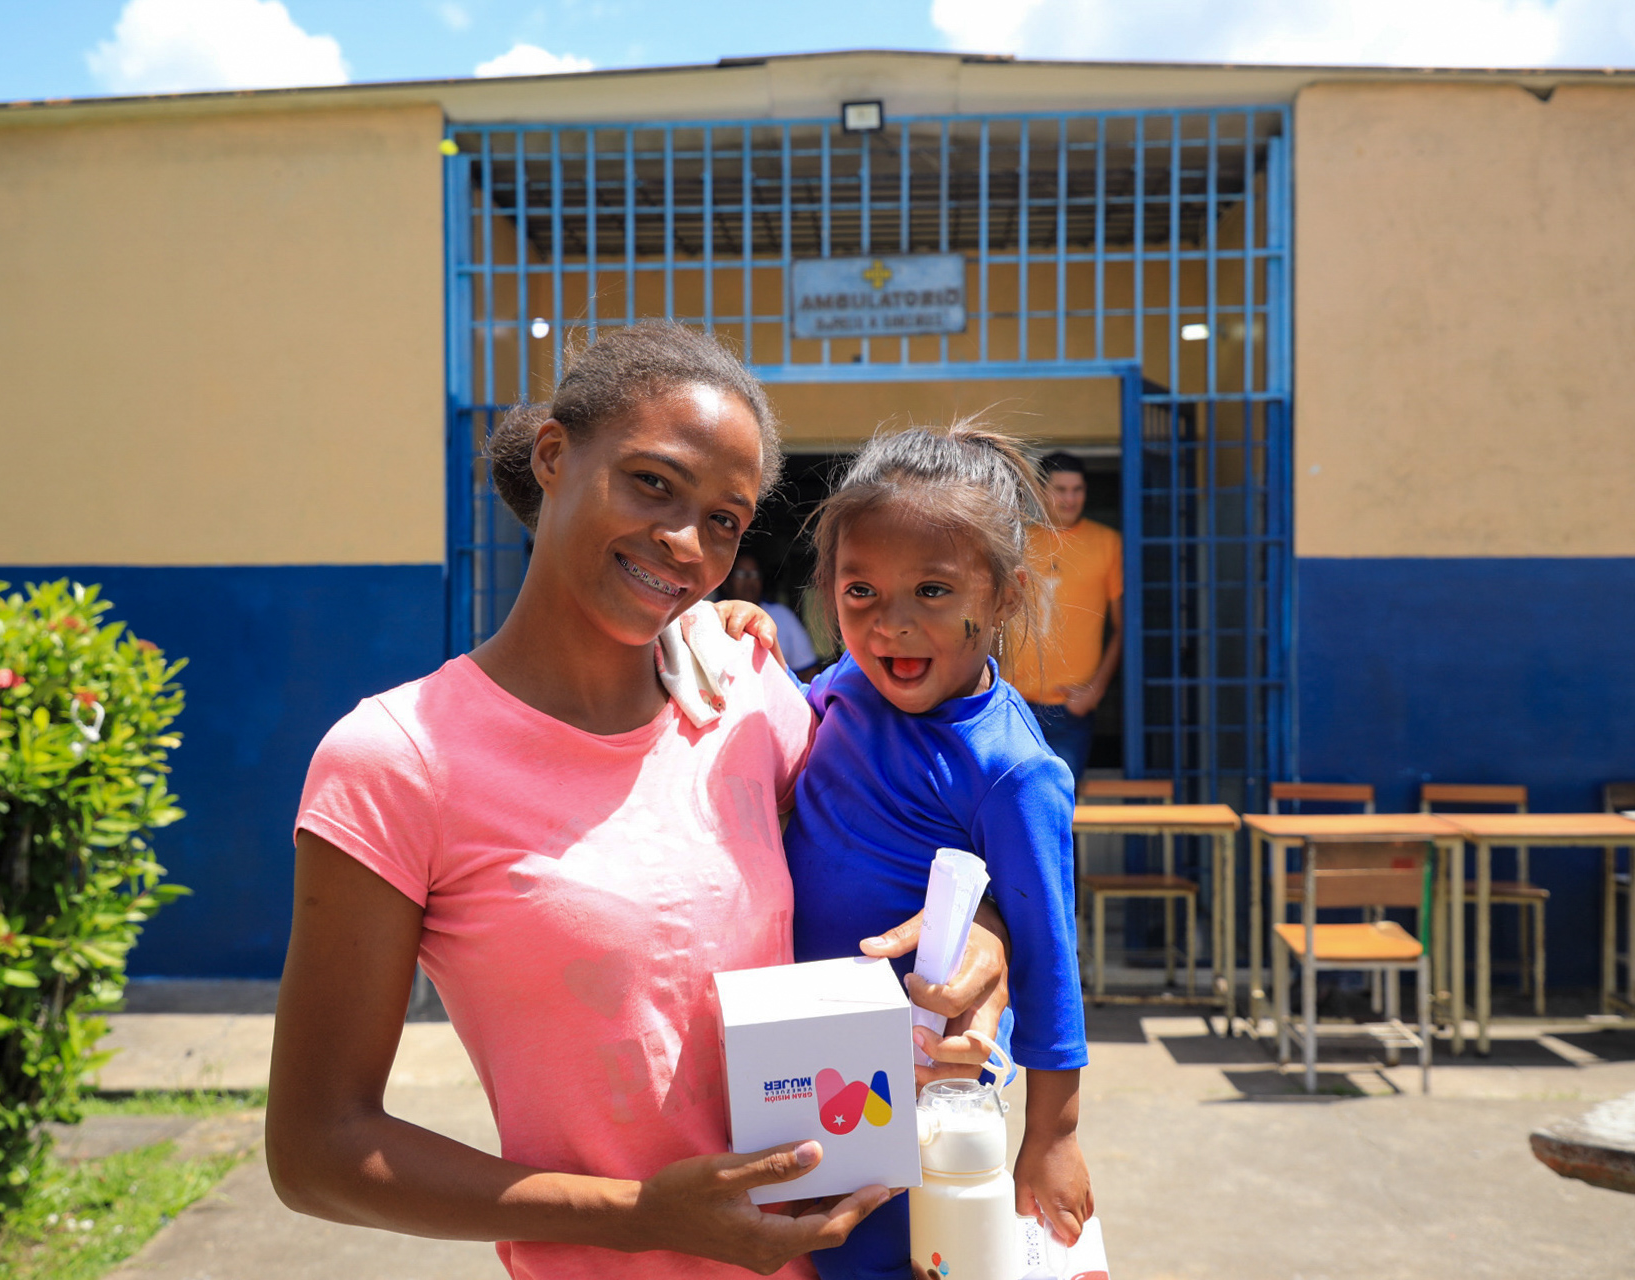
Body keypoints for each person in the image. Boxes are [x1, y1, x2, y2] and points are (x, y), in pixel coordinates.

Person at [264, 324, 1012, 1280]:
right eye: (653, 482)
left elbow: (936, 822)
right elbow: (319, 1151)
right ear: (552, 457)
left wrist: (981, 931)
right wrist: (641, 1217)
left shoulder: (748, 696)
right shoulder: (398, 762)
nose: (683, 543)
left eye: (725, 521)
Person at [724, 425, 1093, 1279]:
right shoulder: (848, 683)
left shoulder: (1013, 769)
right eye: (860, 591)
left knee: (896, 1255)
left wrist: (1054, 1135)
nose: (892, 625)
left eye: (932, 590)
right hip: (797, 1059)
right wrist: (746, 637)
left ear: (1002, 596)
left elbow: (1049, 957)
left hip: (914, 1081)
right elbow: (788, 725)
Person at [1002, 451, 1122, 787]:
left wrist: (1096, 690)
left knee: (1060, 808)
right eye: (1060, 489)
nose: (1070, 498)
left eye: (1077, 489)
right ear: (1041, 491)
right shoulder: (1018, 543)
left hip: (1070, 708)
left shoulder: (1108, 544)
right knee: (1014, 804)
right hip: (1014, 701)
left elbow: (1125, 629)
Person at [722, 551, 822, 681]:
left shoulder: (782, 615)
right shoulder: (711, 615)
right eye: (741, 574)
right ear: (725, 581)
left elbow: (809, 670)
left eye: (754, 575)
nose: (749, 581)